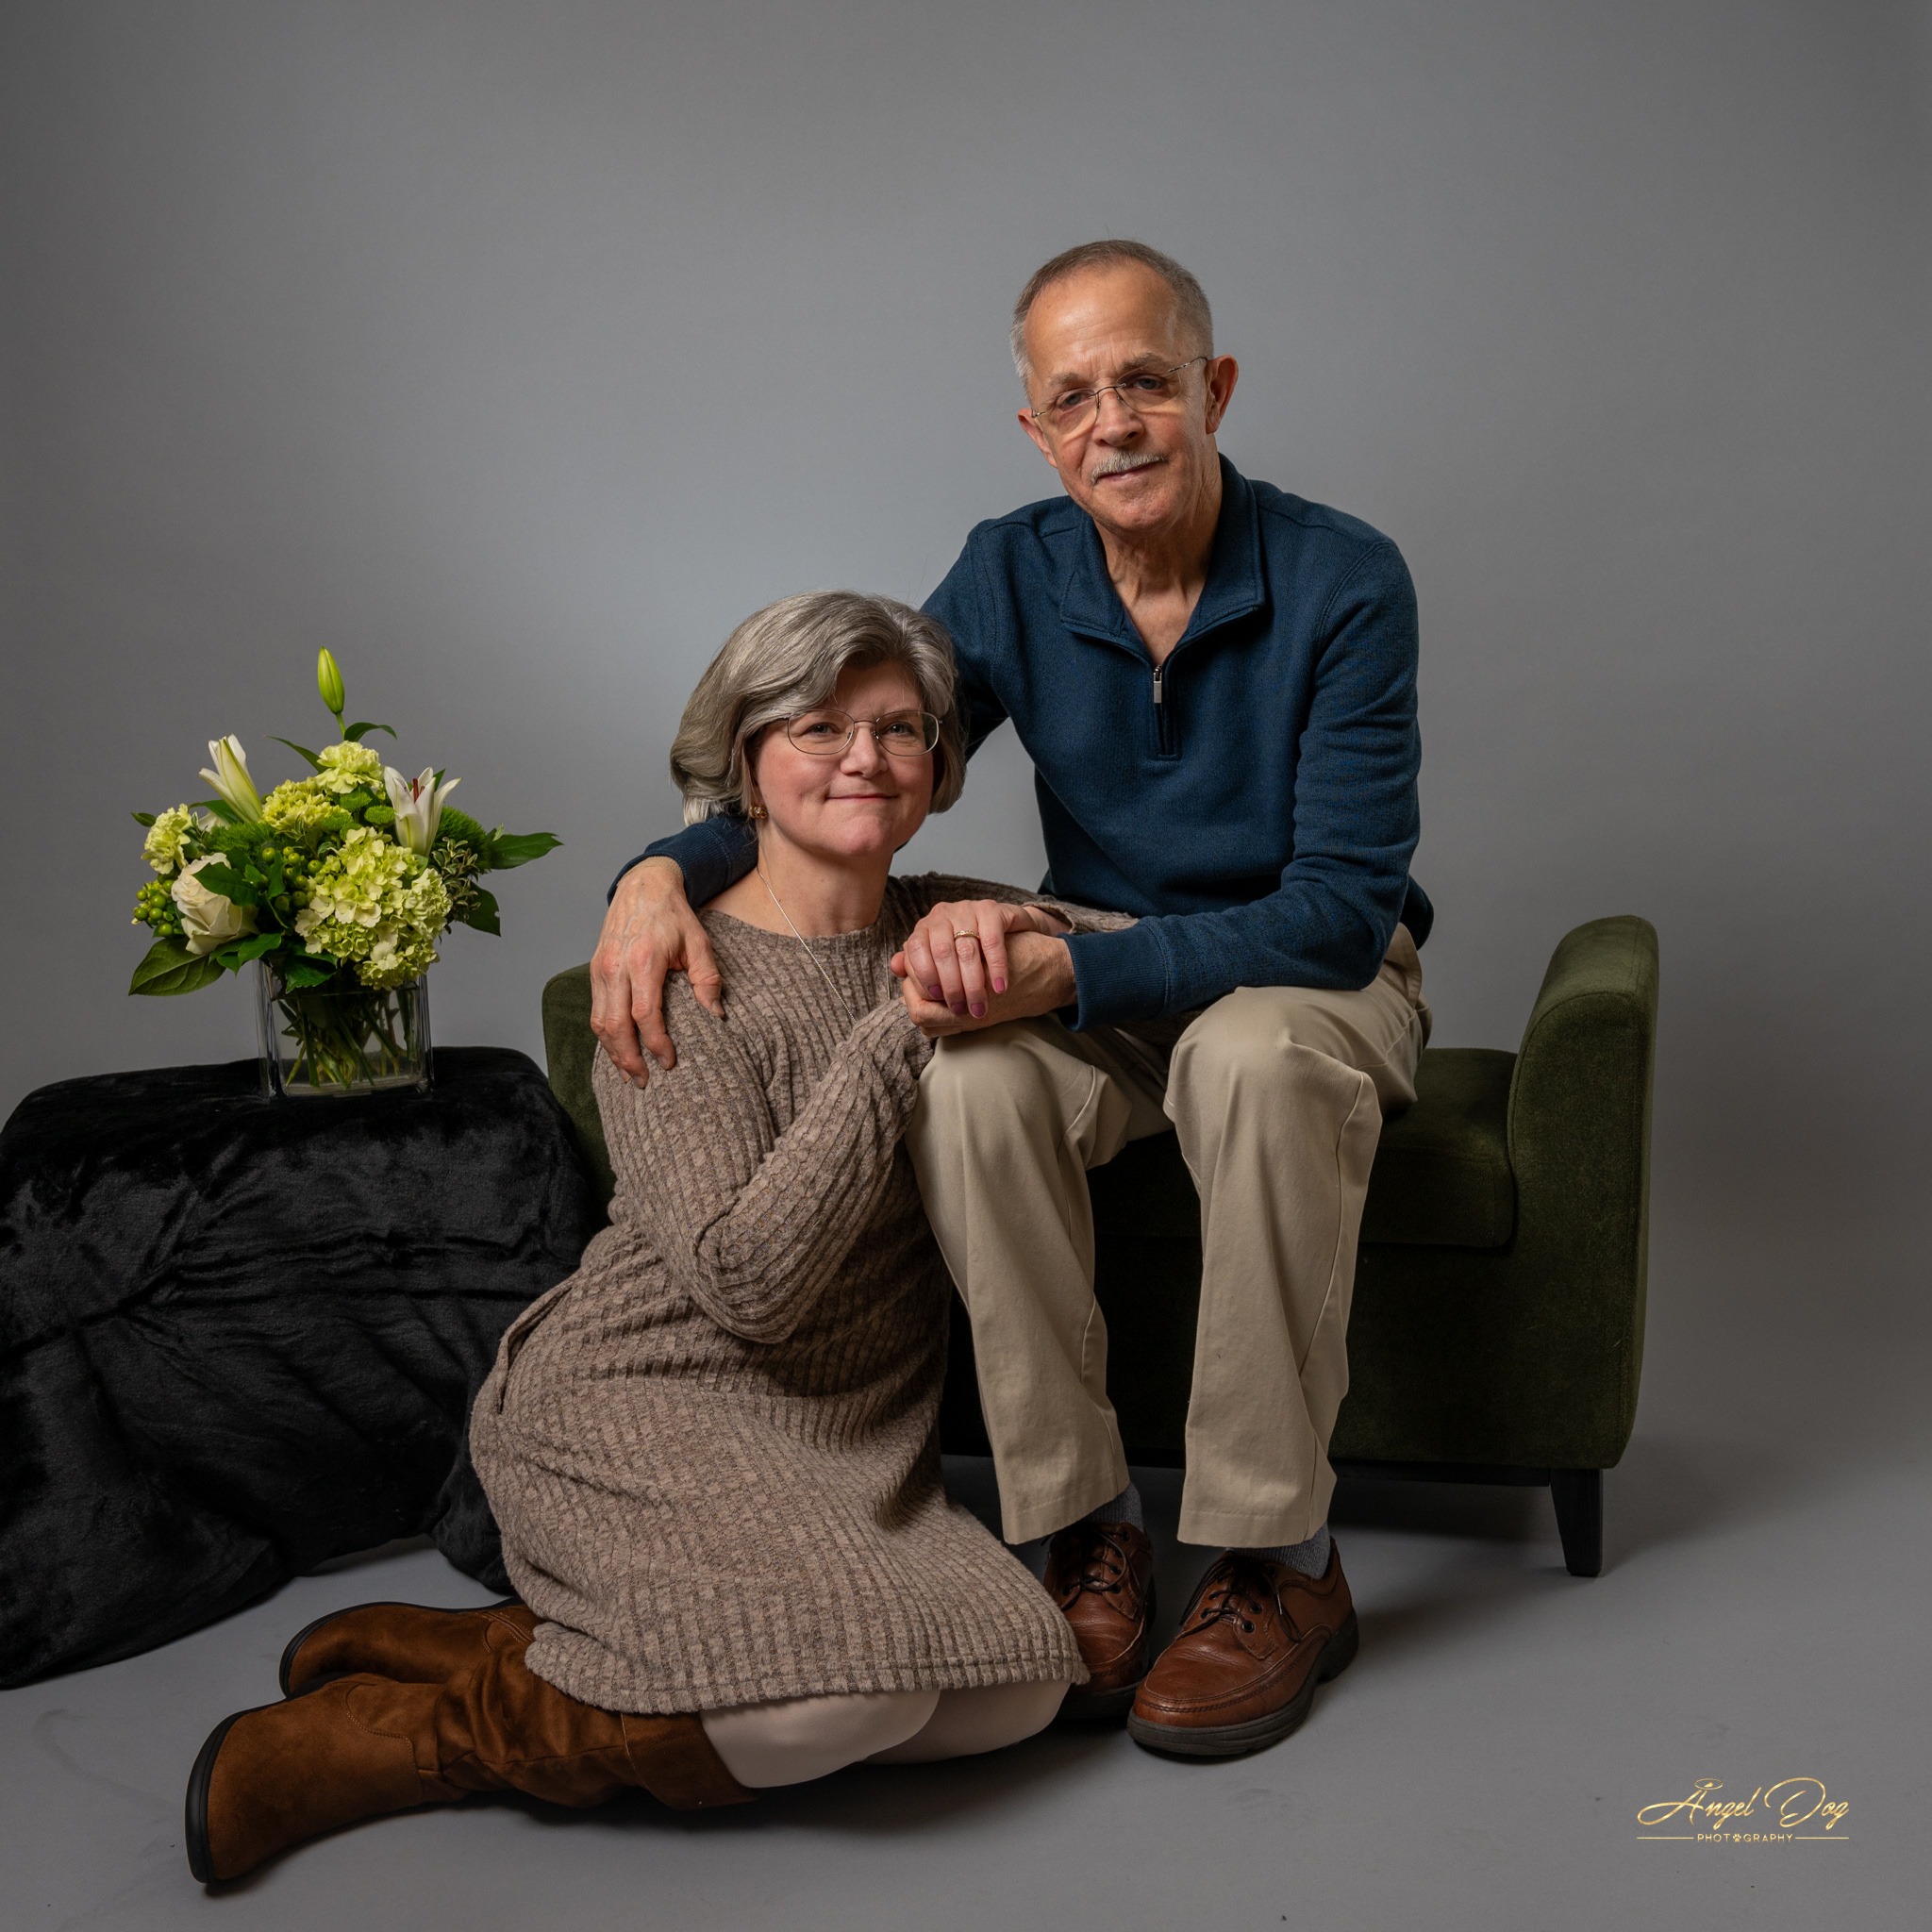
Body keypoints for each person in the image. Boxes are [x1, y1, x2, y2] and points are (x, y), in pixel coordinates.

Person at [591, 240, 1433, 1761]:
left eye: (1145, 382)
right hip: (1102, 962)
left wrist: (1074, 966)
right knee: (965, 1076)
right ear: (1038, 434)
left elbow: (1337, 908)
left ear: (1214, 390)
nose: (1113, 421)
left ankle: (1279, 1561)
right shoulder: (1014, 568)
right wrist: (657, 868)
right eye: (1075, 396)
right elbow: (869, 736)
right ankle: (1086, 1530)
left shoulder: (1344, 577)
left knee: (1248, 1059)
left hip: (1309, 977)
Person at [182, 592, 1097, 1885]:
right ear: (744, 763)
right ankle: (415, 1739)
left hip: (847, 1433)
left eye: (902, 729)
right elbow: (747, 1285)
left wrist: (1029, 932)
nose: (864, 758)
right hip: (645, 1398)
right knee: (841, 1707)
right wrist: (901, 1038)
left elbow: (1152, 948)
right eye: (818, 726)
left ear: (942, 767)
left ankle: (502, 1648)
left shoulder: (942, 917)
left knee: (1016, 1692)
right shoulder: (670, 969)